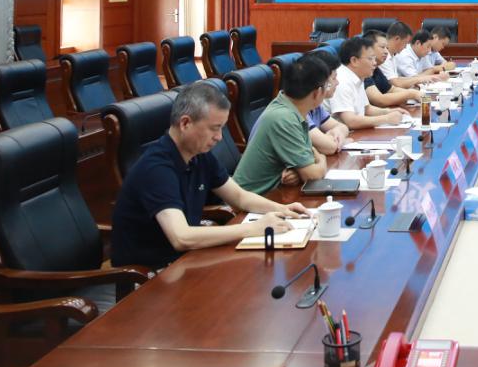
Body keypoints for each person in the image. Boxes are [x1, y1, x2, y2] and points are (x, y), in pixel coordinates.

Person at [111, 80, 310, 269]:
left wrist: (283, 209)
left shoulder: (198, 155)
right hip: (148, 276)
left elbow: (240, 197)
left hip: (185, 261)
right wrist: (254, 228)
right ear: (185, 123)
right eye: (214, 128)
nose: (219, 137)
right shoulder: (156, 168)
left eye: (222, 128)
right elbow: (181, 237)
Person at [233, 52, 330, 194]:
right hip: (251, 201)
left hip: (273, 193)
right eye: (327, 86)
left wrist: (299, 170)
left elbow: (308, 160)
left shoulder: (289, 106)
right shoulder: (285, 118)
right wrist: (322, 159)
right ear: (317, 92)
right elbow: (312, 176)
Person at [327, 35, 406, 129]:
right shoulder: (341, 80)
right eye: (370, 58)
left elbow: (367, 109)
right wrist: (386, 118)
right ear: (354, 61)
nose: (375, 63)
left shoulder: (358, 76)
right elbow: (351, 121)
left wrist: (389, 112)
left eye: (374, 58)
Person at [303, 49, 352, 154]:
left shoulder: (315, 104)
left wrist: (337, 132)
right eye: (334, 78)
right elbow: (329, 147)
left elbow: (343, 127)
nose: (337, 83)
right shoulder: (299, 109)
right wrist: (339, 140)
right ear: (322, 82)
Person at [362, 30, 423, 110]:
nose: (386, 52)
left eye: (387, 48)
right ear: (368, 48)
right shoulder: (363, 70)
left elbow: (391, 89)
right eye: (382, 47)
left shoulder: (376, 69)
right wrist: (411, 94)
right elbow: (379, 100)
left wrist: (415, 93)